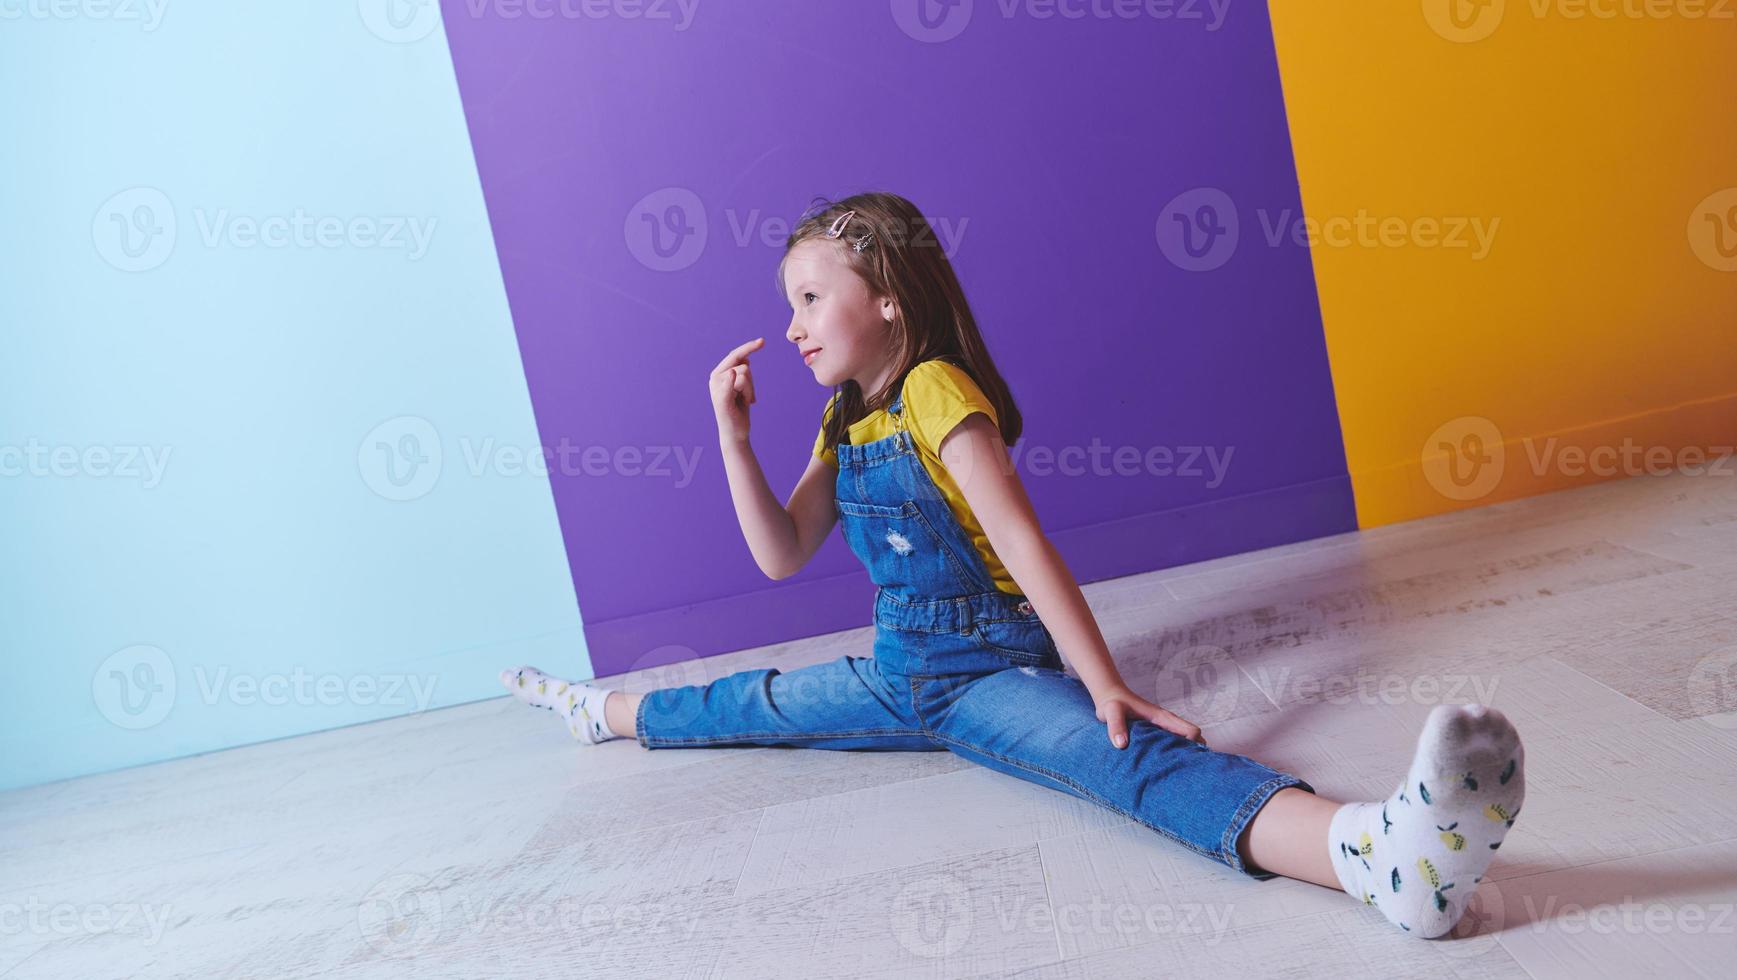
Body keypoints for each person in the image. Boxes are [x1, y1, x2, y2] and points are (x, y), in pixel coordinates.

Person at [500, 192, 1524, 938]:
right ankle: (601, 710)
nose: (794, 324)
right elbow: (781, 555)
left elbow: (1027, 542)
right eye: (791, 304)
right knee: (751, 704)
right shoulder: (841, 417)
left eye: (812, 297)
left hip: (992, 672)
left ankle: (1378, 853)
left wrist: (1104, 680)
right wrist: (730, 437)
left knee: (1117, 761)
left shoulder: (940, 391)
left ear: (888, 296)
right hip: (901, 674)